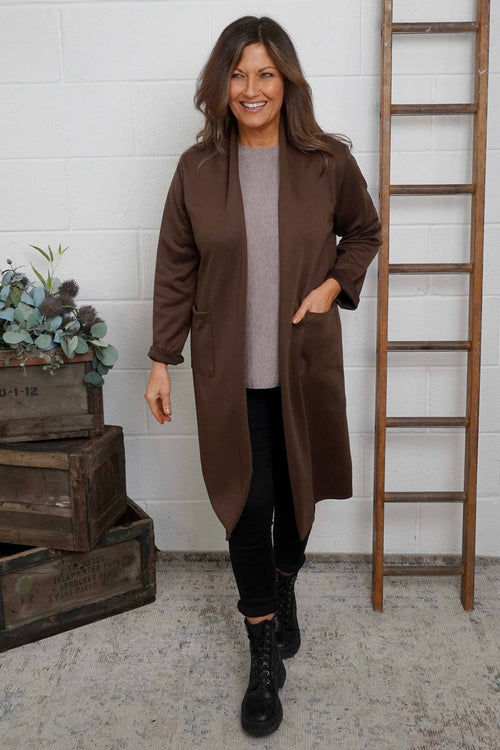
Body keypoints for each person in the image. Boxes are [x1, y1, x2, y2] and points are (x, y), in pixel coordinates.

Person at [145, 16, 382, 737]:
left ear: (287, 82)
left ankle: (284, 584)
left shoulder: (326, 162)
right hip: (228, 374)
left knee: (297, 501)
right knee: (247, 508)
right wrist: (161, 359)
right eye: (238, 74)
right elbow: (175, 267)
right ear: (221, 85)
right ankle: (262, 651)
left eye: (266, 74)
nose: (252, 88)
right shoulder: (196, 169)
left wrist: (331, 288)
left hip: (302, 367)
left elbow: (364, 231)